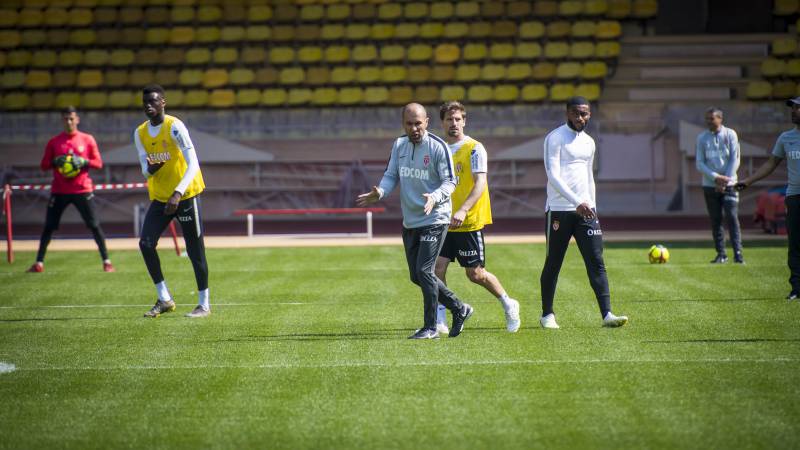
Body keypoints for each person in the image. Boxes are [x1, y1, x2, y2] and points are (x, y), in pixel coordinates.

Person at [357, 103, 473, 339]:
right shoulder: (399, 145)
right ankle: (459, 308)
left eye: (418, 123)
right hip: (411, 220)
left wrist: (435, 197)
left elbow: (450, 182)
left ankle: (430, 327)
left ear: (427, 122)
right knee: (416, 275)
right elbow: (391, 175)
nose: (414, 128)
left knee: (424, 270)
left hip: (435, 217)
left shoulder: (438, 147)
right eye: (409, 124)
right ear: (404, 124)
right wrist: (380, 192)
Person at [539, 96, 628, 329]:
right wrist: (577, 201)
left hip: (586, 210)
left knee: (596, 260)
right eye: (577, 113)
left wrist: (592, 205)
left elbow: (589, 176)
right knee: (554, 262)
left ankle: (607, 314)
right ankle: (547, 315)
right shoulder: (555, 138)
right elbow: (553, 175)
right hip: (559, 210)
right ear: (567, 113)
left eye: (585, 114)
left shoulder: (589, 142)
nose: (581, 118)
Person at [433, 101, 520, 334]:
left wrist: (462, 210)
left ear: (464, 121)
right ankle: (440, 316)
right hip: (442, 220)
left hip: (467, 220)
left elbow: (480, 182)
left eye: (458, 119)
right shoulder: (437, 148)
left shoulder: (474, 148)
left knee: (475, 274)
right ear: (442, 122)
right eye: (449, 119)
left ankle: (508, 303)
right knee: (436, 269)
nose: (454, 123)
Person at [134, 84, 210, 318]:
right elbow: (144, 171)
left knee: (194, 250)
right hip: (160, 197)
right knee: (146, 244)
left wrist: (178, 192)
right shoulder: (140, 133)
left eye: (154, 101)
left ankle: (204, 304)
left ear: (163, 103)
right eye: (145, 101)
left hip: (185, 196)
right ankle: (164, 298)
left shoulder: (175, 127)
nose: (149, 105)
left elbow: (193, 163)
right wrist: (150, 169)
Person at [27, 106, 114, 273]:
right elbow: (44, 165)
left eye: (71, 118)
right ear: (62, 120)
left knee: (94, 225)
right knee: (49, 227)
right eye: (66, 119)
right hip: (59, 191)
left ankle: (107, 262)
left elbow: (98, 163)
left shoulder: (87, 139)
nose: (69, 122)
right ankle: (39, 263)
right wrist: (55, 162)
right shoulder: (54, 141)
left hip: (82, 190)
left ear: (77, 119)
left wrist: (84, 162)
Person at [736, 97, 800, 300]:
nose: (793, 111)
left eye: (798, 108)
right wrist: (749, 181)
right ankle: (797, 289)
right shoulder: (786, 137)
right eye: (793, 108)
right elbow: (771, 163)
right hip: (794, 197)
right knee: (795, 245)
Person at [696, 107, 743, 264]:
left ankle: (738, 254)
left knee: (732, 217)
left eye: (711, 118)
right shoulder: (702, 138)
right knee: (715, 220)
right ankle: (721, 254)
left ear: (720, 119)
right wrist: (715, 178)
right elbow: (700, 163)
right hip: (710, 186)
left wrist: (725, 180)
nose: (708, 121)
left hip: (730, 185)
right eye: (707, 119)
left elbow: (734, 159)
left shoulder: (730, 134)